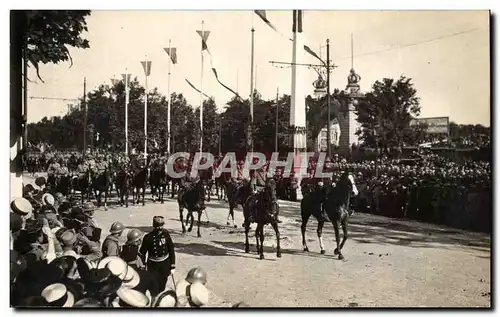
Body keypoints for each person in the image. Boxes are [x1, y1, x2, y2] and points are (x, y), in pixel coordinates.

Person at [140, 216, 176, 291]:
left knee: (162, 284)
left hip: (165, 264)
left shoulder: (166, 235)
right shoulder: (148, 237)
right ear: (154, 225)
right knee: (153, 285)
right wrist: (142, 265)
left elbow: (171, 250)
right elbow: (142, 252)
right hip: (153, 265)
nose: (160, 228)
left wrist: (172, 265)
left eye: (161, 225)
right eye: (157, 226)